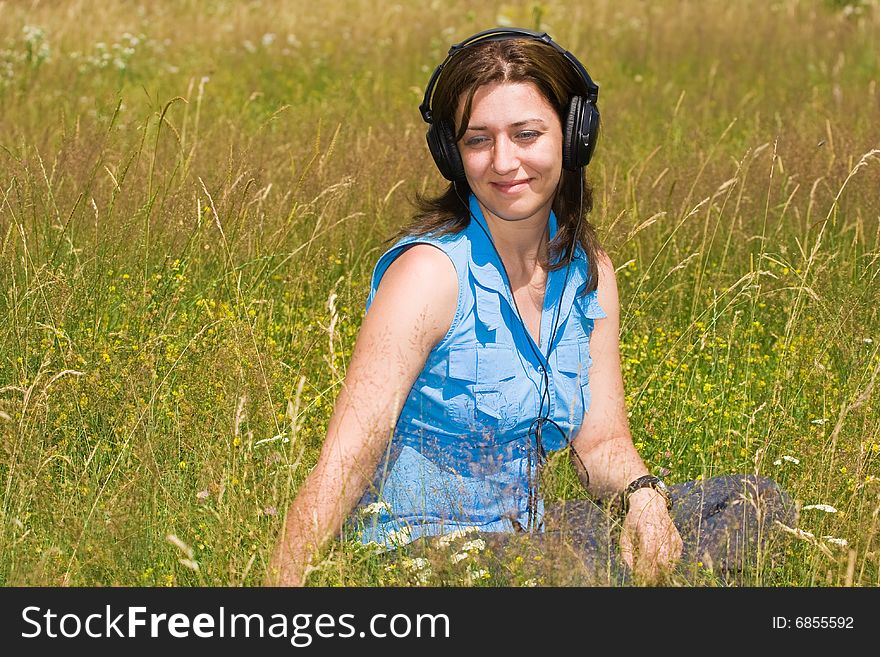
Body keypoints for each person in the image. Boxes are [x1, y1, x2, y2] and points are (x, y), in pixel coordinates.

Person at [269, 28, 796, 587]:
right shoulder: (427, 275)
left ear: (573, 138)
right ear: (451, 152)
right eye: (477, 140)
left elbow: (601, 441)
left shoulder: (588, 270)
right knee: (575, 574)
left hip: (529, 536)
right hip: (422, 552)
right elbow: (345, 460)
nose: (503, 162)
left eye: (526, 134)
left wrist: (644, 501)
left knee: (753, 503)